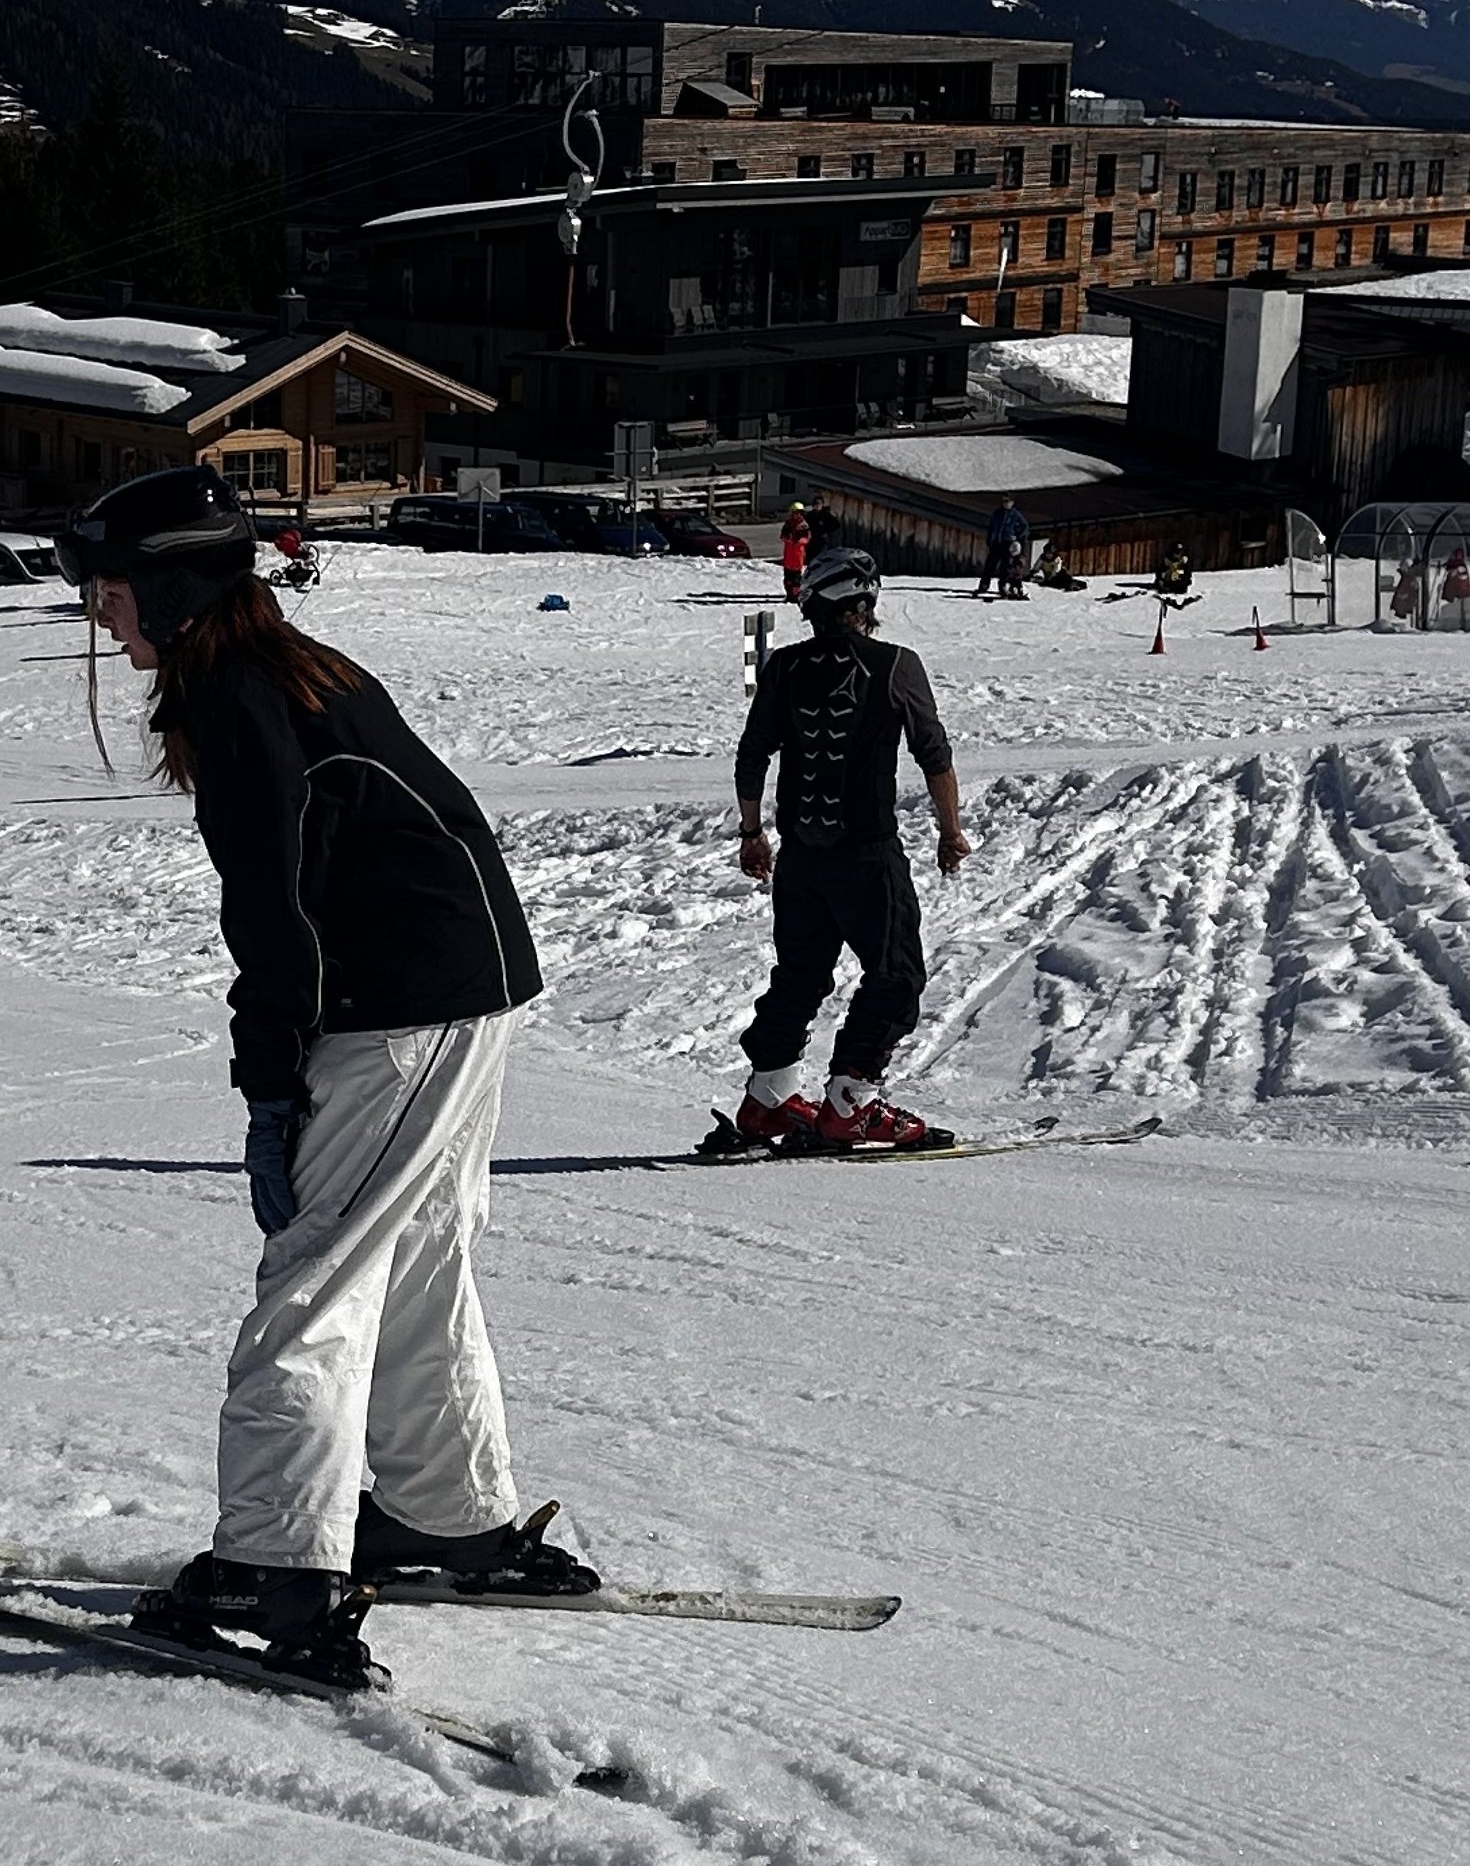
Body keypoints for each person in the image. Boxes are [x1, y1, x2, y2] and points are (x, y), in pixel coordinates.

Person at [55, 464, 594, 1691]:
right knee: (413, 1261)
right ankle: (447, 1511)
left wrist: (269, 1081)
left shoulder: (244, 699)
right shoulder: (289, 668)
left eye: (112, 588)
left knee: (315, 1279)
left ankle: (273, 1567)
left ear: (173, 589)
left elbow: (276, 915)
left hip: (400, 1006)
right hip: (453, 989)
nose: (101, 612)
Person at [704, 546, 971, 1158]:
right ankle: (852, 1103)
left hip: (800, 857)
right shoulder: (895, 664)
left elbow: (752, 754)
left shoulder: (783, 666)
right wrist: (950, 830)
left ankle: (769, 1097)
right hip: (866, 855)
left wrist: (752, 833)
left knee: (800, 974)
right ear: (865, 602)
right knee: (896, 973)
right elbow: (934, 755)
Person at [975, 496, 1029, 600]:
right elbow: (991, 527)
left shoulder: (1015, 514)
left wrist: (1018, 538)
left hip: (1007, 544)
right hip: (996, 543)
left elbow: (1024, 527)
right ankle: (984, 585)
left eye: (1008, 501)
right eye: (1004, 501)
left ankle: (1003, 587)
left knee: (1005, 567)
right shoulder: (997, 513)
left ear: (1012, 502)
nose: (1006, 503)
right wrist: (990, 539)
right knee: (990, 565)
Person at [777, 501, 812, 602]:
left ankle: (796, 596)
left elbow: (807, 538)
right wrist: (788, 539)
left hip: (798, 555)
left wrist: (798, 541)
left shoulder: (804, 525)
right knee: (787, 578)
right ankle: (789, 595)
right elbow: (782, 536)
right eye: (795, 513)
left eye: (799, 513)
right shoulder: (788, 524)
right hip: (788, 554)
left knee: (796, 579)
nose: (797, 515)